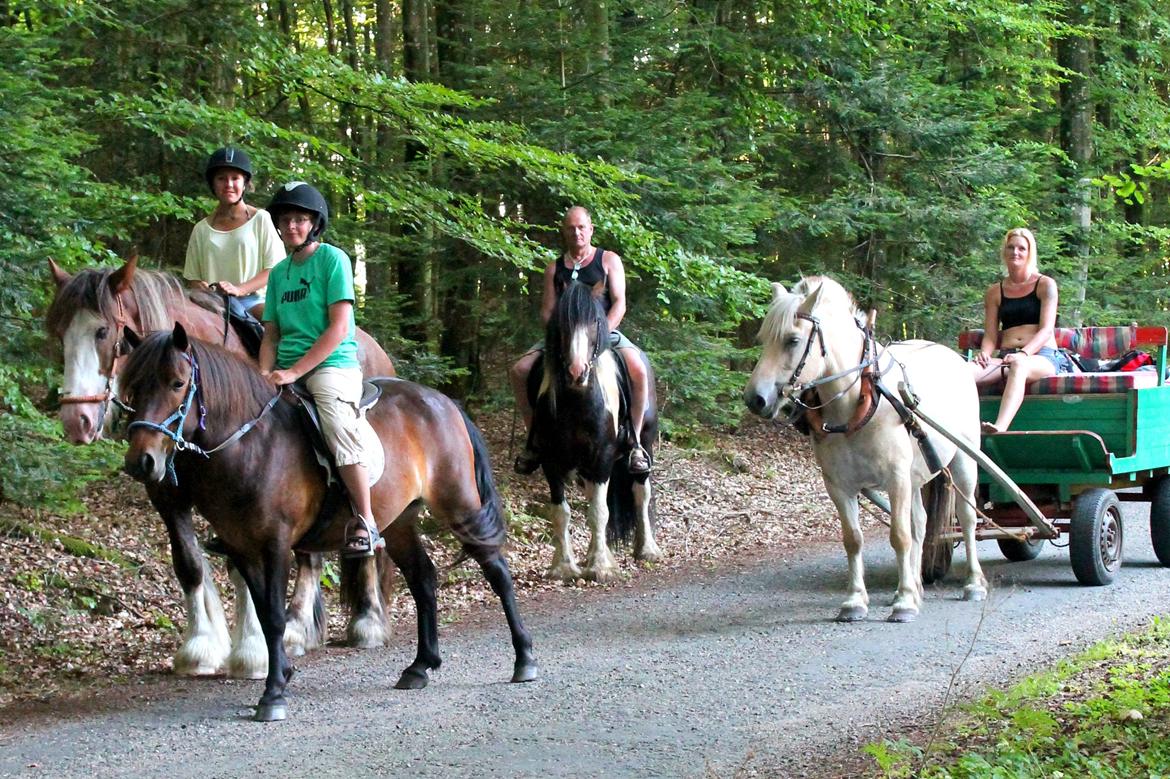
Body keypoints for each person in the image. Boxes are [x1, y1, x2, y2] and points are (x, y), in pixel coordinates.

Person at [260, 181, 382, 557]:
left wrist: (295, 372)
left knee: (335, 421)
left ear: (314, 223)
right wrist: (263, 374)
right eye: (285, 220)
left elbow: (339, 328)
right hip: (285, 365)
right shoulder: (278, 273)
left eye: (300, 219)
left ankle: (366, 520)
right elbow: (271, 334)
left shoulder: (333, 260)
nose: (292, 226)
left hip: (332, 365)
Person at [509, 206, 652, 475]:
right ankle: (535, 440)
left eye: (581, 227)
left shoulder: (608, 260)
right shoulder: (555, 268)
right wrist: (560, 337)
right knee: (520, 371)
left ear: (590, 229)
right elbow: (547, 311)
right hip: (563, 339)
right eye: (571, 228)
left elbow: (619, 303)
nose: (577, 232)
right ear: (564, 232)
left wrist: (600, 336)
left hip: (604, 334)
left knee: (638, 369)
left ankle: (634, 442)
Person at [971, 227, 1074, 433]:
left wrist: (1024, 353)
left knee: (1019, 365)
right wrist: (985, 352)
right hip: (1005, 358)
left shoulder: (1045, 284)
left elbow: (1046, 330)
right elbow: (991, 334)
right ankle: (958, 429)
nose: (1015, 252)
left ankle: (1000, 426)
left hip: (1042, 356)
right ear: (1004, 252)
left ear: (1029, 253)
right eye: (1011, 247)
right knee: (963, 372)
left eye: (1021, 248)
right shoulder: (995, 291)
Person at [183, 147, 285, 320]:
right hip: (212, 304)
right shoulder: (201, 229)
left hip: (252, 302)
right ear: (213, 184)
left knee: (280, 328)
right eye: (222, 178)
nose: (229, 184)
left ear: (244, 183)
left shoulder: (261, 219)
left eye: (235, 178)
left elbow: (274, 269)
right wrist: (201, 288)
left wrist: (240, 289)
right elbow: (193, 278)